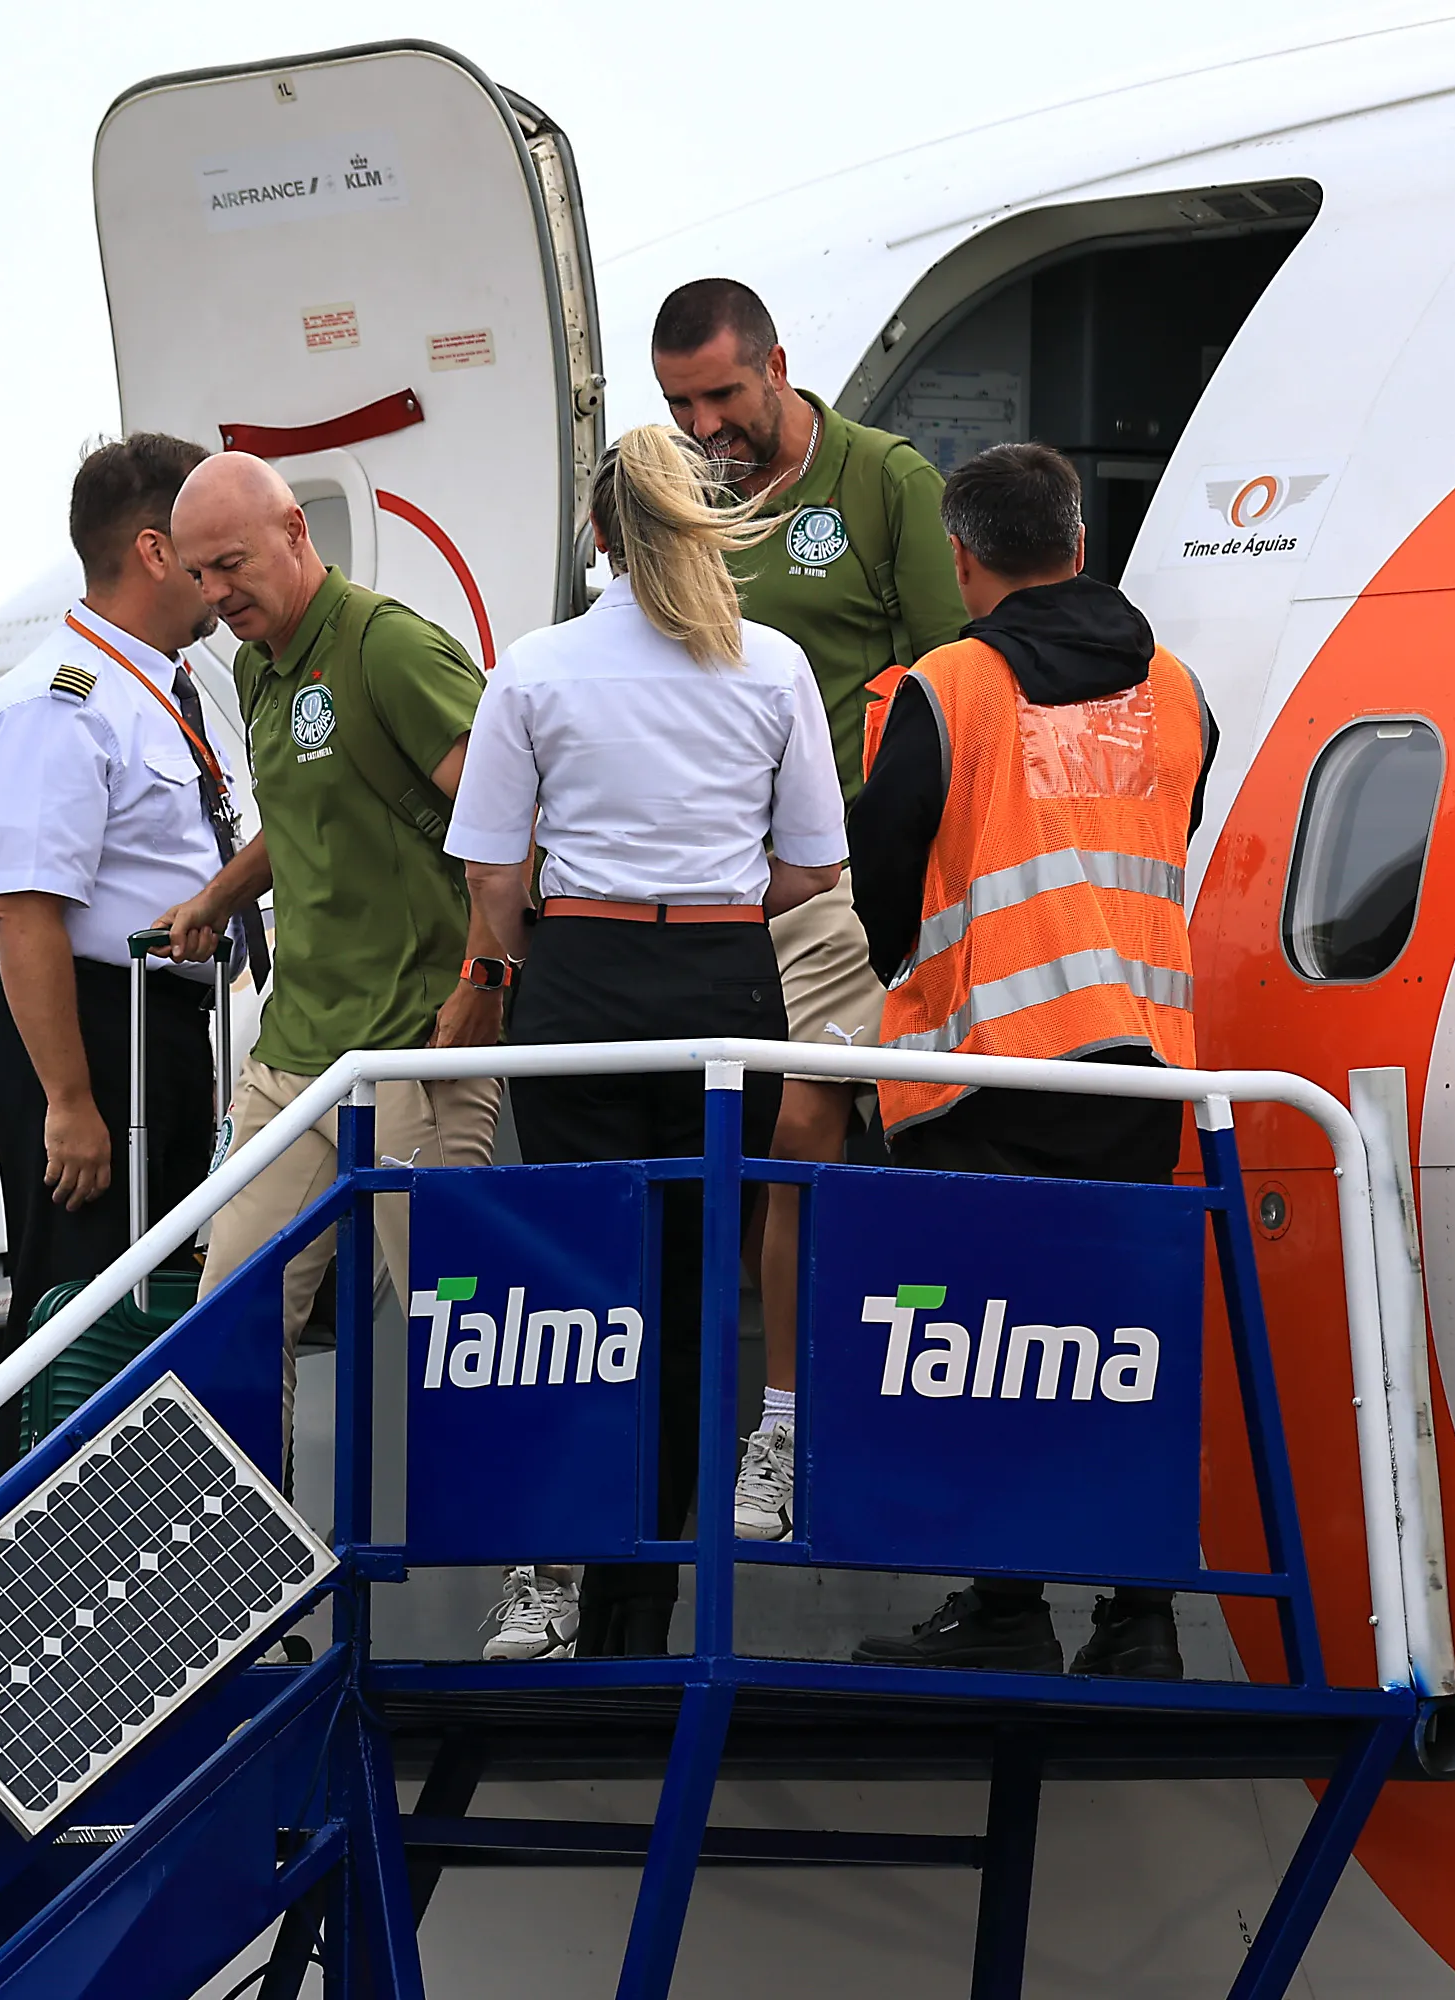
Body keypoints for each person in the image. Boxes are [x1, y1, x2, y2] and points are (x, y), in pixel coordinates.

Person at [451, 425, 848, 1660]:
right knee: (689, 1297)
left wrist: (562, 940)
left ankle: (548, 1576)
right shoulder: (772, 665)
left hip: (578, 980)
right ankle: (647, 1609)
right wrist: (716, 907)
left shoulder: (535, 666)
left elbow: (493, 879)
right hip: (724, 984)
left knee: (575, 1286)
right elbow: (815, 863)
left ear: (602, 537)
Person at [844, 443, 1217, 1677]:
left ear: (962, 558)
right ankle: (1141, 1615)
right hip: (1145, 1067)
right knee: (1118, 1342)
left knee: (993, 1345)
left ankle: (1006, 1605)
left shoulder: (947, 685)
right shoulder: (1177, 686)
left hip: (991, 1063)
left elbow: (883, 875)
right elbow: (1170, 826)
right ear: (1079, 541)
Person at [650, 279, 968, 1546]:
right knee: (706, 1154)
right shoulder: (682, 501)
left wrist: (897, 884)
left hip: (840, 893)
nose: (705, 424)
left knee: (800, 1130)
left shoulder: (883, 480)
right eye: (680, 403)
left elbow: (955, 687)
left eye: (722, 394)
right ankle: (650, 1501)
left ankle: (782, 1434)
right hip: (713, 895)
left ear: (778, 365)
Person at [154, 454, 504, 1478]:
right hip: (298, 1047)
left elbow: (506, 819)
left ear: (296, 534)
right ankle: (232, 1592)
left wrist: (483, 981)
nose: (216, 595)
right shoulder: (262, 663)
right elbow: (314, 800)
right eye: (198, 576)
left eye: (231, 564)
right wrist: (222, 893)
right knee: (224, 1326)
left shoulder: (386, 648)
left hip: (412, 1051)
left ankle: (551, 1579)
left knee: (468, 1338)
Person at [0, 432, 239, 1470]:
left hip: (147, 1020)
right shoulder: (61, 698)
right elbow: (27, 910)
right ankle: (43, 1565)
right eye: (207, 550)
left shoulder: (155, 682)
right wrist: (69, 1101)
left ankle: (127, 1570)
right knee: (82, 1302)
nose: (220, 578)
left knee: (146, 1298)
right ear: (157, 551)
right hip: (83, 1023)